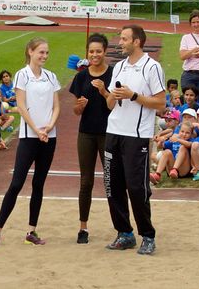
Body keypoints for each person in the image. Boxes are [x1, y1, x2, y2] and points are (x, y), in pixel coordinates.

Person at [0, 37, 60, 247]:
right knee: (16, 183)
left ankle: (31, 231)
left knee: (39, 184)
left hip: (49, 137)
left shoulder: (51, 77)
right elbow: (21, 106)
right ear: (30, 52)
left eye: (46, 52)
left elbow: (56, 106)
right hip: (30, 137)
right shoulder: (22, 75)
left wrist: (49, 126)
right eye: (41, 52)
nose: (44, 56)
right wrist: (37, 129)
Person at [104, 25, 165, 255]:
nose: (120, 42)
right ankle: (124, 233)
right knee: (113, 186)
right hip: (114, 131)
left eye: (124, 39)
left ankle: (147, 235)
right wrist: (111, 95)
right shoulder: (118, 66)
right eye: (120, 38)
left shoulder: (151, 67)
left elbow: (161, 103)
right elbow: (109, 103)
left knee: (136, 188)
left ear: (137, 41)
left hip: (137, 136)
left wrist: (134, 96)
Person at [69, 33, 112, 244]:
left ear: (105, 51)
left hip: (108, 133)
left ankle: (120, 226)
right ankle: (83, 227)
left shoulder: (113, 74)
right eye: (91, 51)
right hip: (86, 133)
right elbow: (76, 110)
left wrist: (104, 91)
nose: (95, 55)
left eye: (98, 51)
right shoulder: (81, 77)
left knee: (111, 179)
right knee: (85, 181)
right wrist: (80, 106)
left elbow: (116, 105)